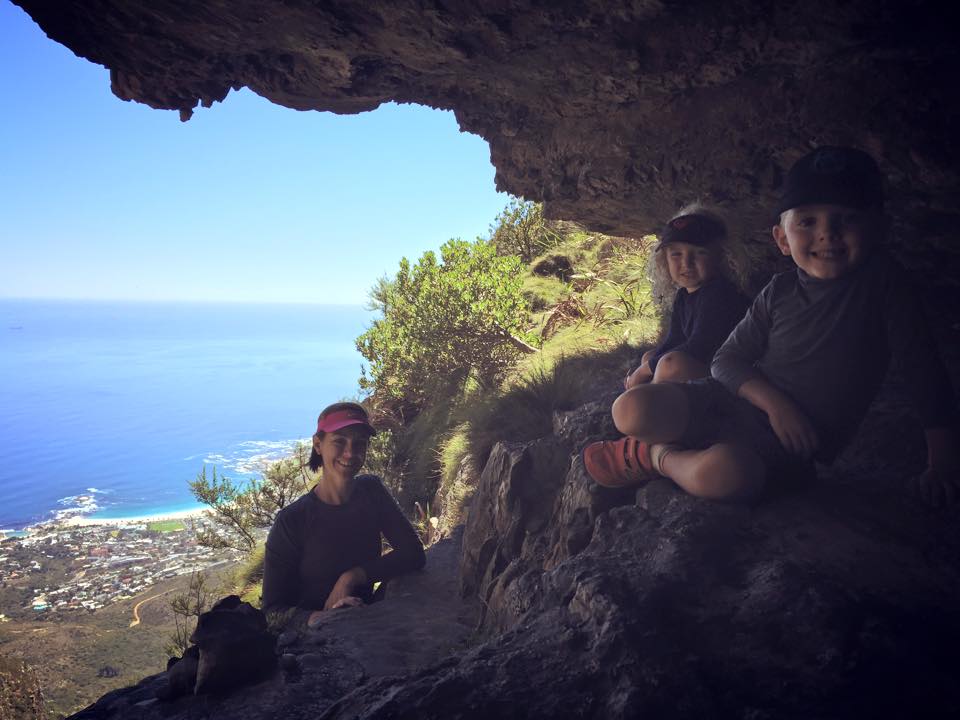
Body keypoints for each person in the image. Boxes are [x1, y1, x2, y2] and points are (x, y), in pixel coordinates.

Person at [582, 146, 959, 505]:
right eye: (808, 222)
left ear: (880, 228)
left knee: (726, 474)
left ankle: (659, 457)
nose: (827, 233)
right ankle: (660, 445)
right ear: (781, 238)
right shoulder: (780, 289)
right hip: (729, 403)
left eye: (847, 219)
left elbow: (923, 373)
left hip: (785, 444)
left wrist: (941, 465)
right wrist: (776, 405)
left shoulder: (886, 288)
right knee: (629, 410)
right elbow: (726, 361)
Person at [262, 402, 425, 626]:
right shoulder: (292, 521)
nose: (350, 453)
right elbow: (271, 610)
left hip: (365, 622)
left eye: (360, 443)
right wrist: (315, 618)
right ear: (318, 444)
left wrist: (352, 576)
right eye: (339, 441)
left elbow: (413, 553)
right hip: (312, 643)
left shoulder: (371, 490)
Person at [623, 204, 750, 389]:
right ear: (664, 260)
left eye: (699, 253)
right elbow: (674, 341)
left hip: (732, 371)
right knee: (649, 357)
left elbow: (699, 346)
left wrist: (642, 373)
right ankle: (646, 394)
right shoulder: (684, 295)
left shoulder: (719, 293)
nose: (686, 263)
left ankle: (649, 400)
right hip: (705, 364)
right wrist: (646, 367)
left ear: (721, 255)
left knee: (670, 364)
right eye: (676, 254)